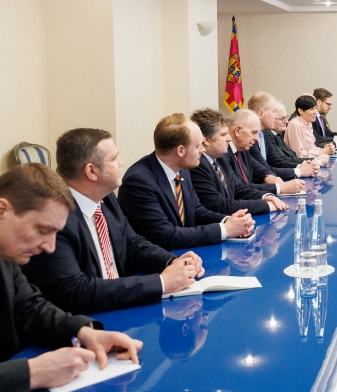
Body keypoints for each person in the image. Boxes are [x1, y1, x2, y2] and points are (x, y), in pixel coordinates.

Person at [22, 129, 205, 315]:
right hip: (87, 319)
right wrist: (162, 282)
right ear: (91, 171)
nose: (121, 163)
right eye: (114, 158)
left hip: (121, 307)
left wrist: (172, 262)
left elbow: (132, 244)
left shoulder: (106, 198)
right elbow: (75, 291)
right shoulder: (54, 218)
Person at [0, 164, 142, 392]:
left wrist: (84, 333)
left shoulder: (7, 253)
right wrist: (32, 372)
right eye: (43, 230)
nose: (50, 247)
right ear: (2, 210)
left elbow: (30, 309)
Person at [118, 113, 255, 251]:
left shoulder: (182, 170)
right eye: (198, 146)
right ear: (180, 150)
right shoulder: (138, 182)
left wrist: (229, 221)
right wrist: (225, 230)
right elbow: (166, 236)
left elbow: (197, 211)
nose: (203, 149)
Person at [188, 109, 287, 216]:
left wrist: (265, 196)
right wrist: (267, 205)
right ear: (207, 140)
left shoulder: (220, 158)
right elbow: (219, 205)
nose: (229, 138)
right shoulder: (198, 165)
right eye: (223, 134)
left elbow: (238, 188)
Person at [226, 109, 306, 194]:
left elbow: (260, 169)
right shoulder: (223, 154)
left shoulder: (242, 148)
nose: (257, 138)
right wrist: (280, 188)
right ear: (238, 131)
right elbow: (239, 188)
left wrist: (268, 176)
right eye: (253, 132)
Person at [247, 92, 319, 176]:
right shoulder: (250, 137)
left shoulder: (263, 133)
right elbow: (264, 170)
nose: (276, 116)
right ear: (261, 114)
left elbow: (276, 161)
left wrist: (302, 166)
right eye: (274, 111)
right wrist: (300, 171)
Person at [286, 95, 336, 160]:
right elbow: (298, 153)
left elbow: (311, 148)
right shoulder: (295, 124)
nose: (315, 112)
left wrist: (325, 149)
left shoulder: (308, 123)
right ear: (300, 111)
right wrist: (322, 152)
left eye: (315, 108)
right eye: (311, 109)